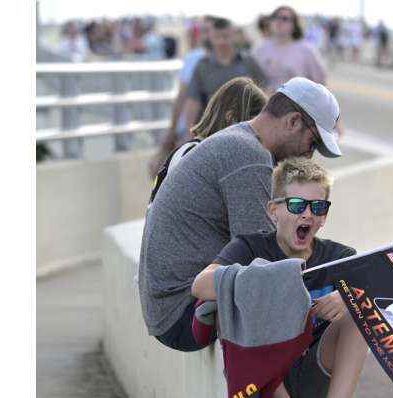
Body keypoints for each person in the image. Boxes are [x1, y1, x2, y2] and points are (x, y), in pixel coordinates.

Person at [191, 158, 393, 398]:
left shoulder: (339, 257)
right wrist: (268, 281)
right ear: (273, 211)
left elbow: (389, 299)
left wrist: (348, 295)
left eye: (318, 207)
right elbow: (200, 284)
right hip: (267, 383)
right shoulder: (249, 246)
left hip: (314, 376)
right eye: (297, 204)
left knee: (360, 308)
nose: (307, 214)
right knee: (238, 295)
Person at [139, 77, 342, 353]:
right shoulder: (248, 156)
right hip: (182, 315)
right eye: (313, 142)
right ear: (293, 121)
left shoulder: (238, 139)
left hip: (170, 307)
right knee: (340, 316)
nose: (310, 155)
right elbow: (266, 259)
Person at [149, 77, 268, 203]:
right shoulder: (207, 157)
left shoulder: (188, 150)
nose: (257, 139)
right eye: (254, 128)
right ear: (231, 118)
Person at [182, 17, 267, 133]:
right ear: (210, 38)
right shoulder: (202, 66)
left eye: (225, 37)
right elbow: (193, 101)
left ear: (233, 36)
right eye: (217, 37)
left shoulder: (249, 62)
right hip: (212, 130)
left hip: (248, 129)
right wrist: (188, 132)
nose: (221, 42)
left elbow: (265, 92)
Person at [159, 17, 208, 156]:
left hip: (202, 132)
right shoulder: (193, 58)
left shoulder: (239, 62)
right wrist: (172, 130)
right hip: (191, 131)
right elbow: (181, 97)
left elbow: (181, 97)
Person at [252, 6, 327, 93]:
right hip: (266, 103)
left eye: (285, 19)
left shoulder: (306, 50)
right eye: (275, 17)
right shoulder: (259, 48)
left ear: (294, 25)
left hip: (296, 104)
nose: (279, 21)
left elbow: (321, 83)